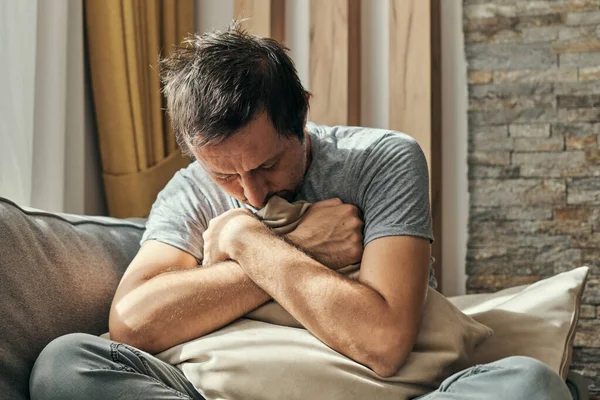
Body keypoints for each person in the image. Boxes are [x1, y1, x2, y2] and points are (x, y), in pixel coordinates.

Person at [30, 22, 571, 400]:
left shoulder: (381, 158)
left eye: (267, 165)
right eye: (223, 174)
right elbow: (133, 325)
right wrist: (287, 244)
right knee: (64, 365)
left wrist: (240, 239)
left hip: (384, 392)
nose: (252, 194)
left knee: (529, 384)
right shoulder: (189, 190)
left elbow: (381, 343)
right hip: (227, 392)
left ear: (300, 117)